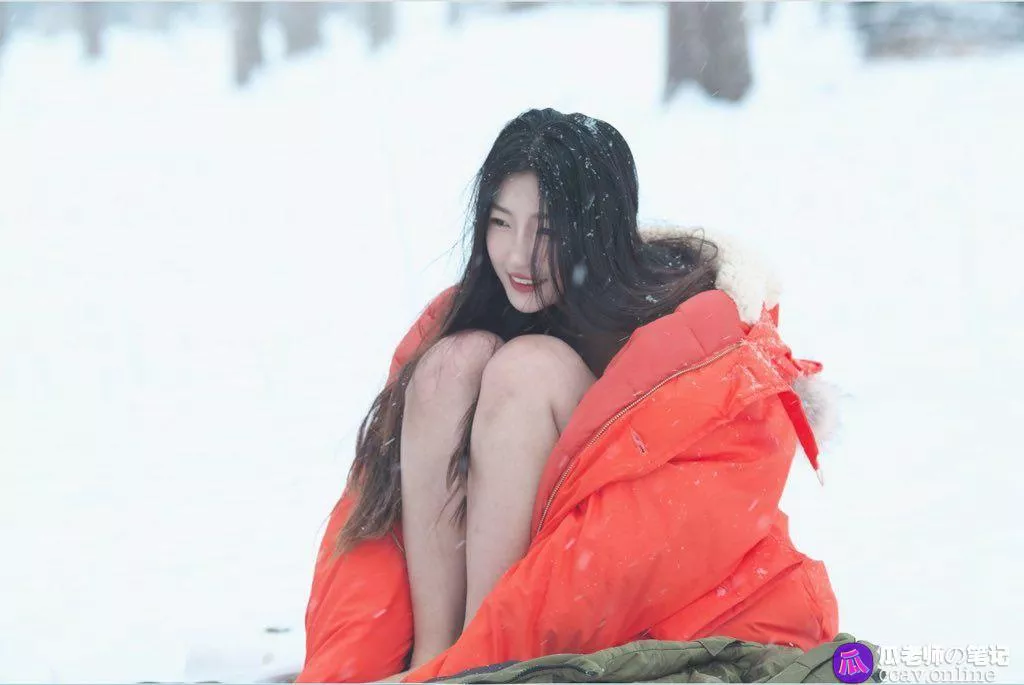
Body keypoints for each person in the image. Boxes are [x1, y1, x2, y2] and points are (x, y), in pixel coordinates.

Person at [297, 108, 839, 684]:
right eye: (501, 222)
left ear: (596, 230)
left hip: (604, 587)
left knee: (527, 370)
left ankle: (480, 664)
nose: (517, 256)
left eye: (547, 232)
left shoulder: (672, 320)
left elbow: (680, 513)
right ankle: (437, 658)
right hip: (515, 585)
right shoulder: (493, 312)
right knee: (448, 365)